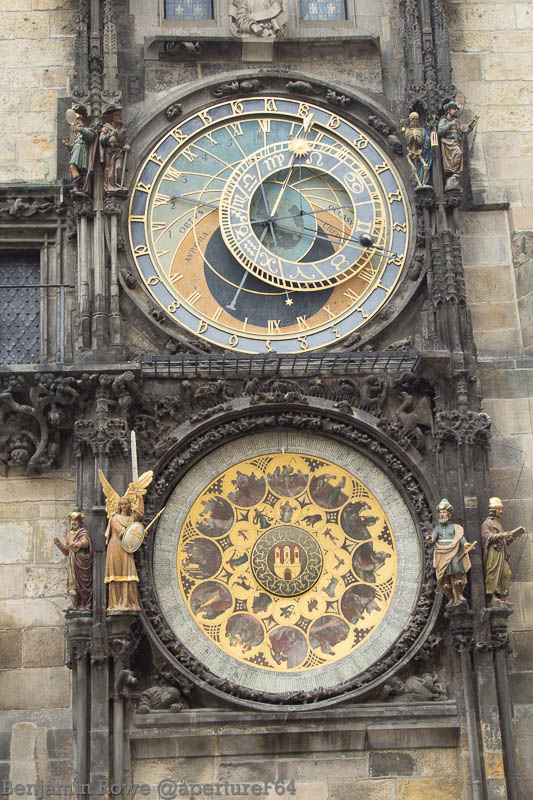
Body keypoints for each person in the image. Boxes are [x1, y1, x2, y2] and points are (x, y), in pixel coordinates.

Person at [427, 498, 475, 604]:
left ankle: (459, 595)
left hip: (453, 552)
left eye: (444, 512)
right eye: (440, 513)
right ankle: (451, 597)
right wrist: (430, 539)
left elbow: (459, 537)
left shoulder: (454, 528)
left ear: (448, 514)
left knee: (457, 572)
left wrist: (465, 544)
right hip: (441, 553)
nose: (442, 515)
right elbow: (433, 538)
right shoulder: (437, 529)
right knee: (444, 577)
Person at [104, 491, 144, 612]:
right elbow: (123, 533)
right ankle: (115, 603)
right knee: (117, 573)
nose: (124, 506)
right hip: (116, 547)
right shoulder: (114, 518)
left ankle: (128, 602)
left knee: (128, 573)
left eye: (126, 503)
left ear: (129, 505)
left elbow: (140, 514)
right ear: (119, 506)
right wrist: (140, 533)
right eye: (122, 504)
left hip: (127, 548)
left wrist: (140, 499)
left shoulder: (131, 518)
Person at [481, 497, 525, 604]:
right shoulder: (487, 523)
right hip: (494, 552)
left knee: (506, 573)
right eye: (499, 509)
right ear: (493, 510)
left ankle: (502, 596)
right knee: (493, 572)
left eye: (501, 509)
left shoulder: (499, 524)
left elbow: (503, 540)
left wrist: (512, 536)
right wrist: (501, 535)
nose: (501, 512)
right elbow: (486, 536)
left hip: (502, 552)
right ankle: (493, 596)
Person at [54, 512, 93, 611]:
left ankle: (84, 604)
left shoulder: (83, 532)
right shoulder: (69, 535)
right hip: (72, 561)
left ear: (79, 521)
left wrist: (79, 544)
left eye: (75, 520)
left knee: (83, 584)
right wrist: (59, 544)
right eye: (72, 520)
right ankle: (74, 604)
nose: (73, 522)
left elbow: (86, 542)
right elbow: (67, 552)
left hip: (81, 561)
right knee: (72, 587)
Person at [437, 101, 478, 191]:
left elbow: (462, 132)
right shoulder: (444, 121)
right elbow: (439, 131)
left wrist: (471, 126)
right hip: (448, 143)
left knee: (458, 155)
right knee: (458, 153)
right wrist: (450, 124)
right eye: (454, 109)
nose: (456, 111)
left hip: (456, 143)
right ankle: (452, 175)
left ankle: (454, 176)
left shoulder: (456, 122)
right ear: (448, 110)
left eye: (456, 109)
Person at [62, 105, 96, 193]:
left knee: (73, 166)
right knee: (73, 167)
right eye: (77, 123)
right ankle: (78, 186)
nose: (77, 124)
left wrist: (80, 129)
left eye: (79, 122)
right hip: (77, 152)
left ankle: (79, 185)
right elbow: (74, 147)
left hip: (82, 152)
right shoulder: (77, 136)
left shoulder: (87, 130)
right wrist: (67, 144)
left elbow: (91, 136)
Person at [99, 105, 130, 193]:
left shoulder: (122, 129)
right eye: (117, 115)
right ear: (111, 117)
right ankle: (110, 186)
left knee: (118, 167)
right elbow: (101, 140)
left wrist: (126, 145)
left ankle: (118, 185)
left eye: (119, 115)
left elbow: (125, 140)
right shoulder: (106, 127)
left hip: (119, 151)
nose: (119, 117)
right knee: (110, 170)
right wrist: (110, 134)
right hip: (110, 152)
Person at [401, 111, 432, 187]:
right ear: (410, 120)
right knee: (415, 168)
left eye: (416, 119)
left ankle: (423, 182)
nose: (415, 121)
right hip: (411, 152)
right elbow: (406, 139)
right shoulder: (408, 130)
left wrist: (431, 138)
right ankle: (418, 183)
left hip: (420, 152)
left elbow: (426, 141)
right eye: (413, 119)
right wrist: (403, 125)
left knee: (425, 166)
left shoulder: (422, 130)